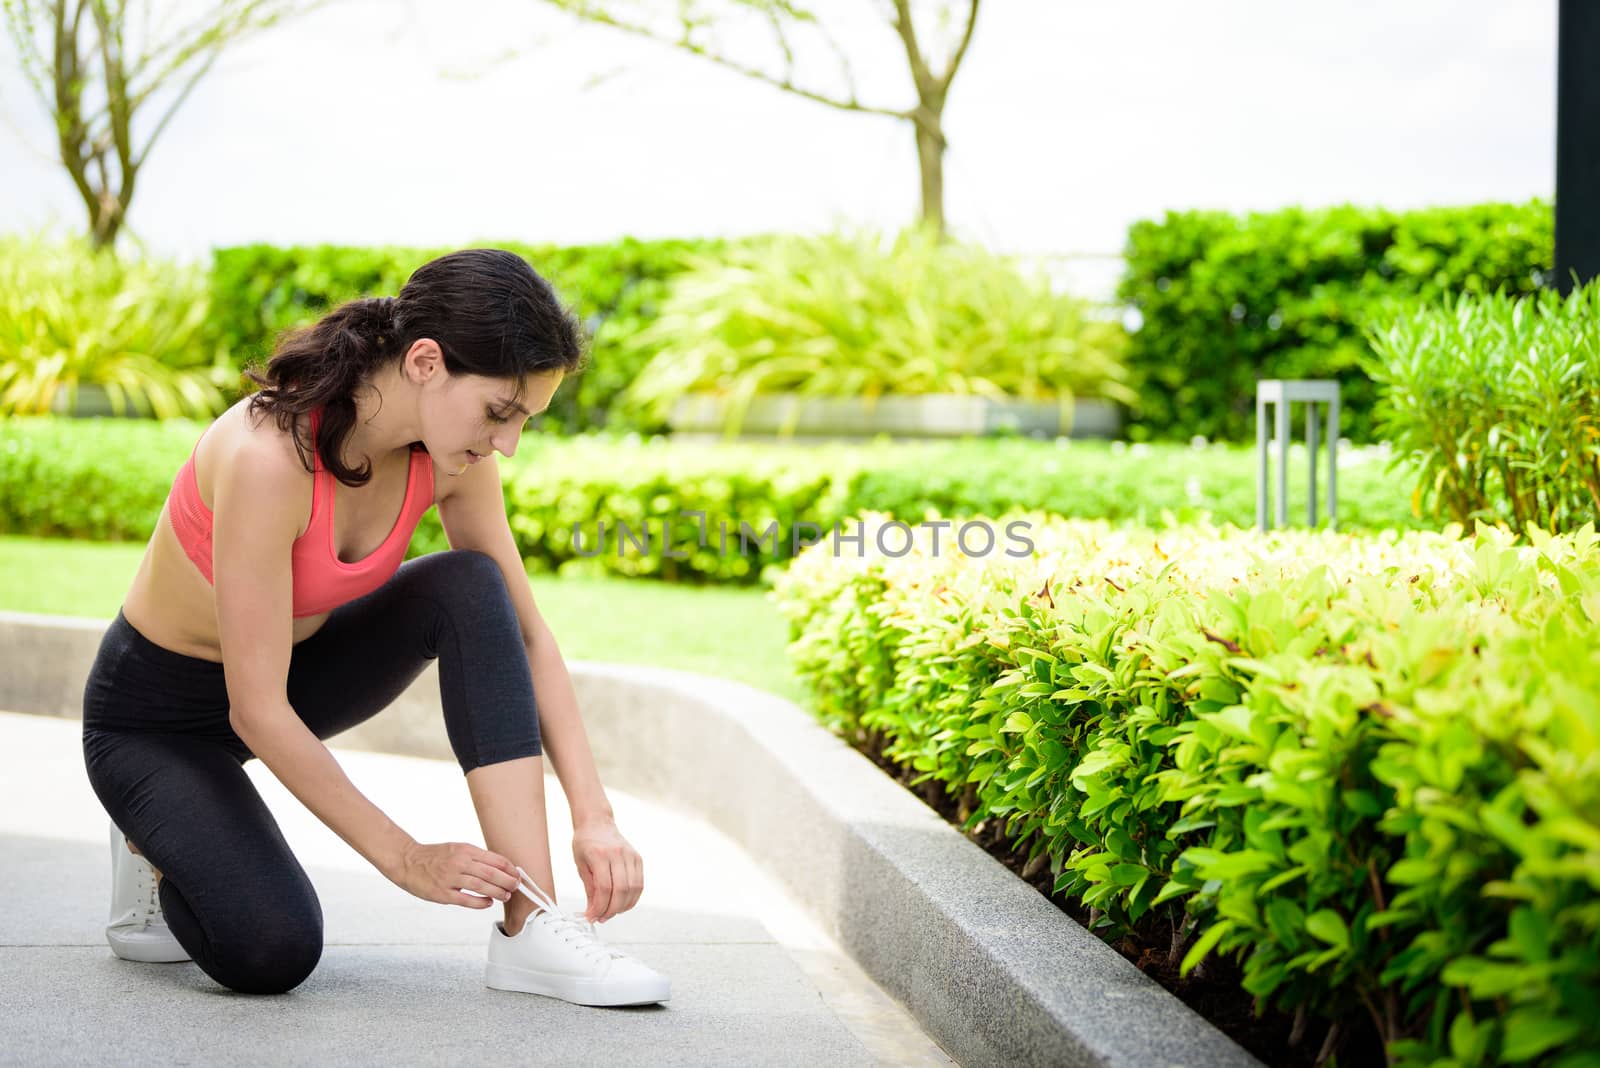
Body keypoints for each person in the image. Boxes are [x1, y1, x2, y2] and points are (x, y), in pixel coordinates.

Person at [80, 248, 670, 1005]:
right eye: (501, 411)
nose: (509, 442)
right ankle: (150, 834)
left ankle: (535, 927)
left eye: (525, 420)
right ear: (425, 361)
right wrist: (407, 857)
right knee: (272, 949)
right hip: (153, 721)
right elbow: (254, 708)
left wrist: (595, 818)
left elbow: (523, 635)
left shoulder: (454, 456)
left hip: (295, 677)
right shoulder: (269, 455)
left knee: (470, 586)